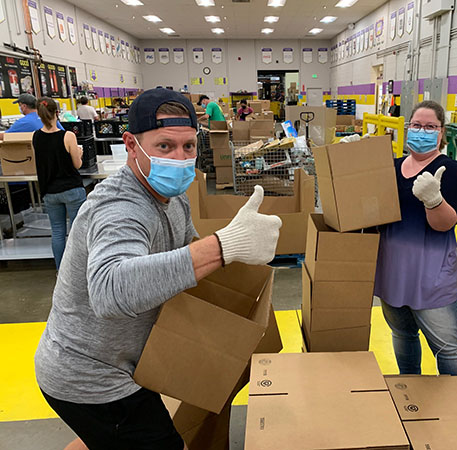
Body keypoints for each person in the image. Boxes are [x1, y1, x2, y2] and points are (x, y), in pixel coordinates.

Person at [34, 88, 282, 449]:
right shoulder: (120, 207)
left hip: (124, 360)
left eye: (189, 146)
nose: (180, 158)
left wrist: (238, 253)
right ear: (131, 145)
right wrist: (223, 246)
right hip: (92, 375)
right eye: (164, 146)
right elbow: (110, 290)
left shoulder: (173, 196)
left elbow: (187, 263)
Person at [374, 100, 457, 376]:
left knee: (448, 346)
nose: (422, 131)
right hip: (392, 270)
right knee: (403, 334)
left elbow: (445, 225)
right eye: (417, 125)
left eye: (430, 127)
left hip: (430, 275)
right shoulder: (392, 167)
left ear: (441, 133)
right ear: (407, 128)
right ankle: (410, 389)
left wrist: (433, 200)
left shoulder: (449, 171)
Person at [32, 97, 86, 271]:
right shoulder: (68, 136)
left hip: (50, 191)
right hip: (72, 189)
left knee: (57, 232)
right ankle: (78, 272)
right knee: (77, 233)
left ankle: (61, 272)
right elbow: (77, 164)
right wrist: (79, 152)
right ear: (57, 113)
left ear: (39, 115)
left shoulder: (36, 136)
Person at [0, 93, 64, 139]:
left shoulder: (23, 122)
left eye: (19, 105)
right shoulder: (49, 117)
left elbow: (5, 136)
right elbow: (62, 132)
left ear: (24, 106)